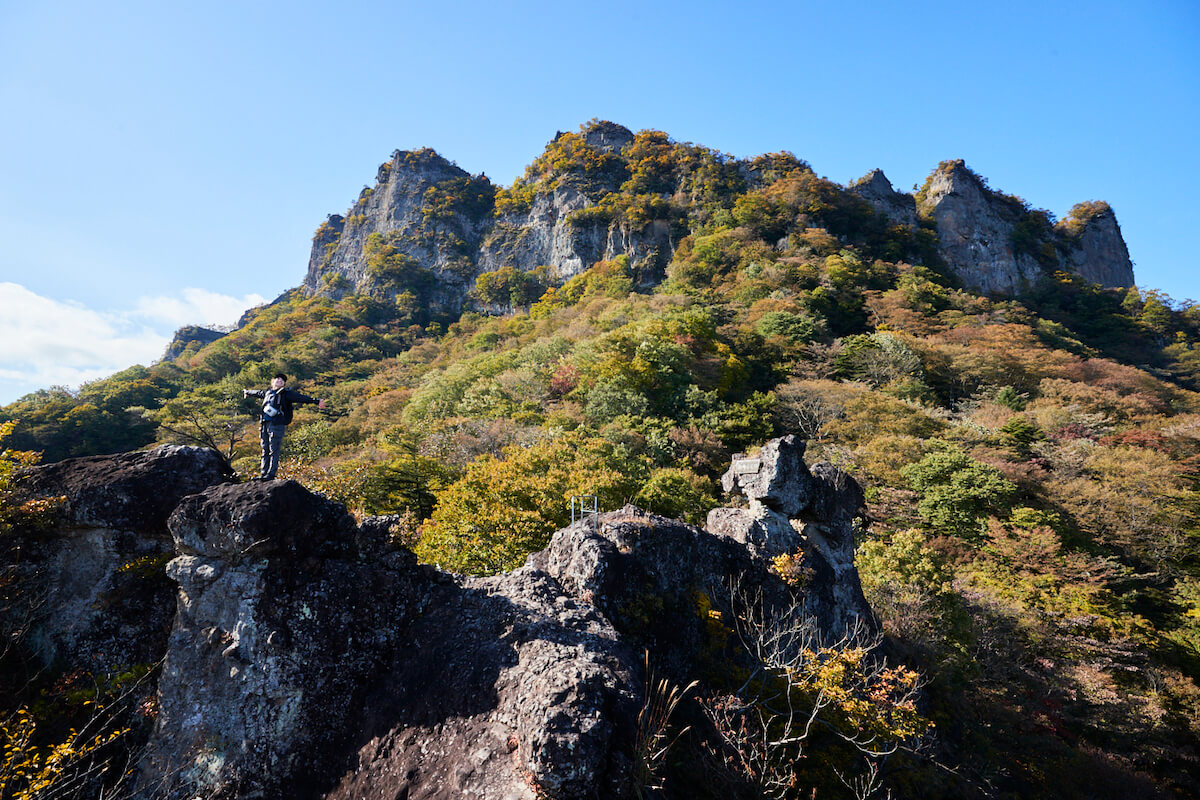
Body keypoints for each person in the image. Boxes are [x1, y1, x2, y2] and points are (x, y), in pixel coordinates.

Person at [243, 374, 326, 480]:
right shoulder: (268, 393)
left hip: (277, 424)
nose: (279, 380)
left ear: (284, 384)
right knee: (265, 449)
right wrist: (247, 392)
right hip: (264, 424)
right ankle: (263, 474)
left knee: (274, 450)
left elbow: (300, 398)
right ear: (272, 382)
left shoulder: (286, 394)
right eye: (277, 379)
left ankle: (271, 474)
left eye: (282, 380)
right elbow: (258, 393)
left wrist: (316, 401)